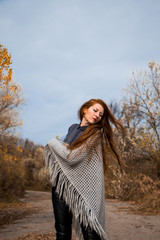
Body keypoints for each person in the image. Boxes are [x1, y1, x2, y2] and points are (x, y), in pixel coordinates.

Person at [45, 99, 125, 240]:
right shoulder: (73, 128)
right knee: (62, 230)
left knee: (90, 231)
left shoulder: (95, 134)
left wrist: (53, 142)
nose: (97, 115)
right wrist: (60, 145)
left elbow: (72, 157)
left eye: (100, 115)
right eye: (95, 110)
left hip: (83, 190)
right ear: (84, 109)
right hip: (61, 185)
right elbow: (65, 152)